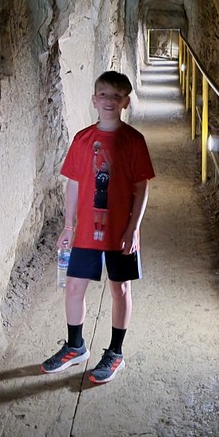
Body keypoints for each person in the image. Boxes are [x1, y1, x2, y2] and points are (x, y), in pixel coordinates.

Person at [42, 71, 155, 383]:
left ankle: (115, 353)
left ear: (125, 102)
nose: (108, 101)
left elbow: (141, 188)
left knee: (120, 288)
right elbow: (74, 185)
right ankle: (75, 346)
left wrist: (133, 229)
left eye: (116, 96)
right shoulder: (82, 140)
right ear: (94, 99)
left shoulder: (133, 141)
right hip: (86, 231)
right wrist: (68, 227)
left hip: (120, 231)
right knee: (74, 287)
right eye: (103, 95)